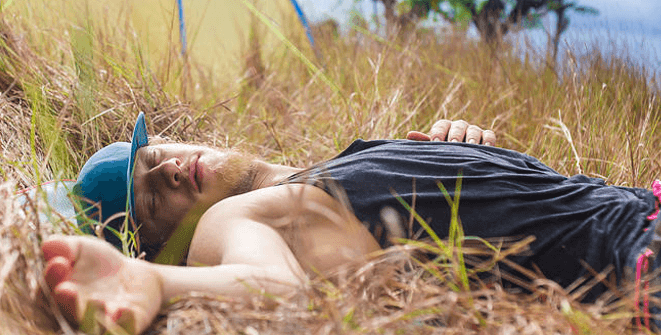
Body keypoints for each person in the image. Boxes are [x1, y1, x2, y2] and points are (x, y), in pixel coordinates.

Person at [37, 113, 660, 334]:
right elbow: (275, 286)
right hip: (635, 259)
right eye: (151, 200)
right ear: (162, 244)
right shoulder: (233, 217)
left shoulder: (348, 157)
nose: (169, 170)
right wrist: (160, 287)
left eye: (152, 156)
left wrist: (475, 150)